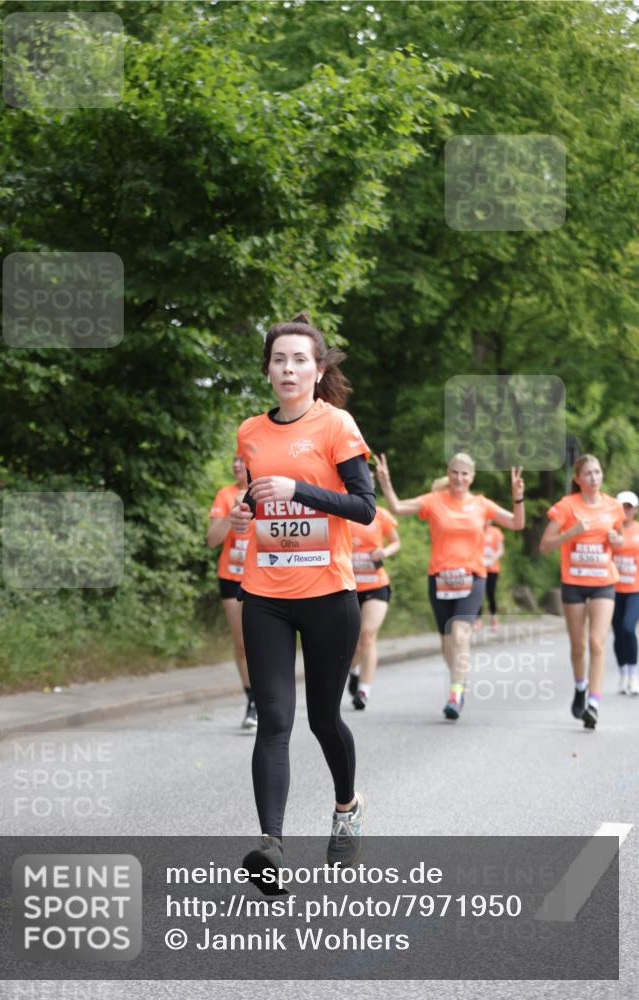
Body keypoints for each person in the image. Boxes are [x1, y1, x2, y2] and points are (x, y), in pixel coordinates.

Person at [229, 311, 375, 888]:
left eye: (299, 360)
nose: (288, 369)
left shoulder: (336, 425)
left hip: (328, 594)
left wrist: (300, 490)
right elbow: (258, 499)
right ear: (267, 369)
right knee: (273, 719)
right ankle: (272, 847)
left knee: (322, 718)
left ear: (317, 370)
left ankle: (347, 807)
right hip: (264, 593)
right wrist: (245, 512)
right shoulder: (250, 432)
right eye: (278, 359)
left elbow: (364, 508)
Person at [375, 452, 524, 721]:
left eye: (465, 473)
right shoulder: (434, 501)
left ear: (472, 477)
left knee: (459, 634)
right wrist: (385, 482)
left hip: (473, 577)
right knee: (447, 645)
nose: (459, 478)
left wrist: (518, 497)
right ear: (448, 473)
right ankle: (460, 679)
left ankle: (455, 694)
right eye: (455, 472)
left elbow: (517, 523)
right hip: (440, 578)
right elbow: (397, 507)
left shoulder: (481, 504)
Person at [539, 454, 624, 730]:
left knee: (597, 642)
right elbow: (545, 546)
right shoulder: (566, 506)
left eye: (597, 472)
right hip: (574, 582)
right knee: (578, 646)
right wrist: (571, 532)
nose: (594, 478)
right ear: (577, 479)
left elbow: (619, 539)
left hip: (603, 582)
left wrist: (617, 539)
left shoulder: (613, 507)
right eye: (588, 473)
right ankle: (580, 687)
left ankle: (594, 704)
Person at [207, 456, 256, 729]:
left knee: (262, 642)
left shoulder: (268, 491)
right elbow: (212, 540)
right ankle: (253, 701)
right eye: (234, 460)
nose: (236, 465)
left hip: (263, 577)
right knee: (242, 644)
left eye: (242, 460)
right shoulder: (225, 494)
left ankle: (270, 697)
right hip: (231, 576)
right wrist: (233, 511)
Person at [347, 483, 400, 710]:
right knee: (351, 643)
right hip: (347, 586)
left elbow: (396, 542)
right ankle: (353, 669)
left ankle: (363, 690)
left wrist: (384, 551)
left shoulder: (381, 514)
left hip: (376, 584)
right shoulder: (341, 512)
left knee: (367, 635)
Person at [611, 490, 639, 696]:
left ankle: (633, 675)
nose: (626, 510)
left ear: (635, 509)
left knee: (629, 628)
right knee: (618, 633)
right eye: (623, 507)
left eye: (629, 507)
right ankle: (623, 674)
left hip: (635, 589)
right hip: (612, 589)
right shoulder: (610, 531)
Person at [475, 521, 504, 631]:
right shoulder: (476, 530)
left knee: (490, 593)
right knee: (478, 593)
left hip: (492, 568)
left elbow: (500, 549)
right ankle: (478, 619)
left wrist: (493, 558)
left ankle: (494, 618)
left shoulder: (495, 532)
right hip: (478, 567)